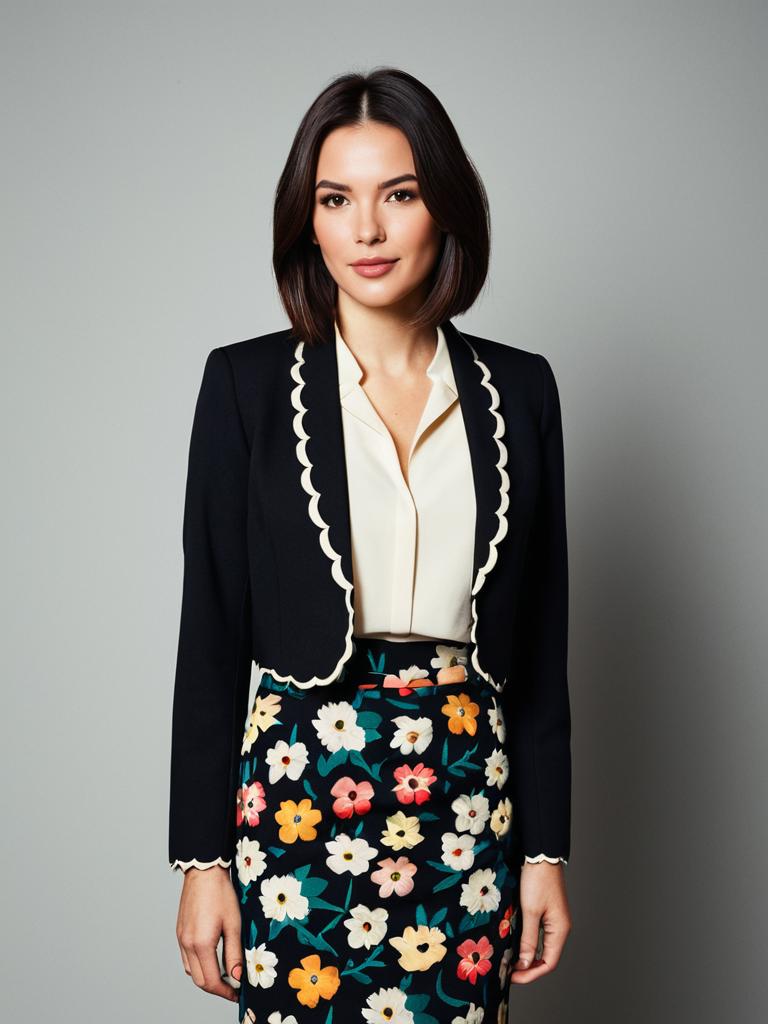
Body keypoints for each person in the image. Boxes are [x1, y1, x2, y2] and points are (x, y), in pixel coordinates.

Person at [168, 67, 573, 1023]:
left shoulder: (521, 391)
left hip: (468, 800)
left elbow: (545, 649)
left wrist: (547, 851)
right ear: (307, 222)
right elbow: (210, 639)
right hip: (301, 799)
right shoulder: (246, 388)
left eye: (400, 194)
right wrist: (201, 860)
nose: (368, 229)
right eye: (336, 199)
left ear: (445, 207)